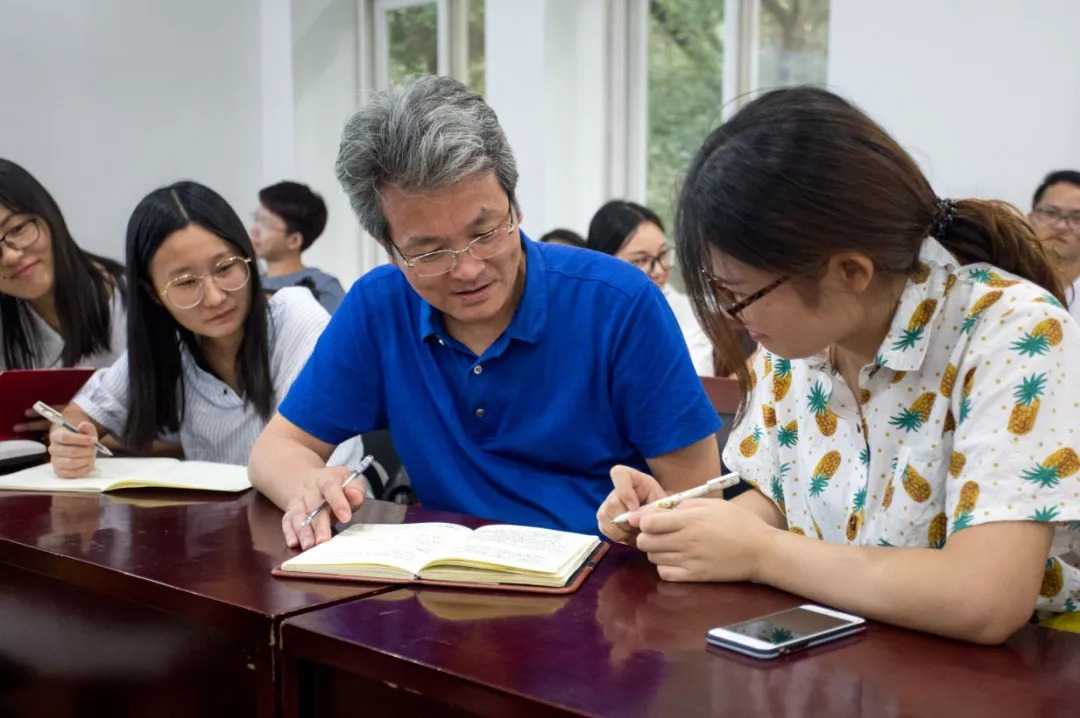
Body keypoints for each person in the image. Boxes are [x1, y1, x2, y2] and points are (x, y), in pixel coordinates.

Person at [597, 87, 1080, 644]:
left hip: (995, 672)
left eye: (742, 292)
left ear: (850, 272)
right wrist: (680, 527)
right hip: (838, 650)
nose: (732, 313)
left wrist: (761, 554)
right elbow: (778, 503)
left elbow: (985, 597)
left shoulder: (1013, 333)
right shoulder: (794, 345)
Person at [248, 75, 721, 549]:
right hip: (444, 583)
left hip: (601, 584)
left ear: (514, 205)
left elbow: (699, 500)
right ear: (388, 247)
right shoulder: (380, 305)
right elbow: (276, 451)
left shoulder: (619, 303)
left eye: (486, 231)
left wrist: (642, 523)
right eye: (430, 252)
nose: (469, 269)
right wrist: (309, 485)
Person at [47, 181, 351, 476]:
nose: (215, 297)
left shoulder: (296, 318)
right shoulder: (169, 346)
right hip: (221, 524)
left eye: (225, 268)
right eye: (186, 282)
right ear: (153, 293)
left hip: (329, 518)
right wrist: (68, 442)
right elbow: (78, 415)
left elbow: (314, 469)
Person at [0, 160, 127, 435]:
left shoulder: (135, 301)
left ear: (49, 215)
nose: (10, 256)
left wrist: (79, 429)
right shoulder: (7, 326)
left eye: (18, 229)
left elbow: (192, 435)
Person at [587, 200, 715, 376]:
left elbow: (698, 381)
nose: (659, 270)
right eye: (640, 260)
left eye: (663, 255)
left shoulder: (687, 311)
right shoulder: (582, 314)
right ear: (603, 262)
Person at [251, 181, 346, 314]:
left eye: (265, 224)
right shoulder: (248, 285)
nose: (253, 230)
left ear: (294, 240)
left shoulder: (323, 288)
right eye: (255, 219)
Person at [1029, 170, 1080, 322]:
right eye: (1051, 213)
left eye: (1077, 218)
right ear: (1030, 219)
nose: (1061, 226)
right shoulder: (1004, 282)